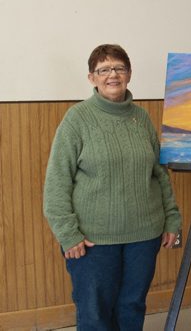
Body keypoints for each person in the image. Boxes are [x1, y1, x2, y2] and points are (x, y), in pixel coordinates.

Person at [43, 44, 181, 330]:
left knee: (132, 306)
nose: (112, 75)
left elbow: (159, 175)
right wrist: (67, 234)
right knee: (95, 314)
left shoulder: (141, 118)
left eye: (118, 68)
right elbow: (57, 182)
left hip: (144, 235)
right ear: (92, 78)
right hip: (93, 240)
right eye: (103, 69)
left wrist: (172, 219)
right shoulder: (77, 119)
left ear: (129, 74)